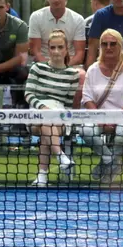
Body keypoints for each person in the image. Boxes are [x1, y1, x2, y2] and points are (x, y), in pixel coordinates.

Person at [79, 29, 123, 184]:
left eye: (113, 44)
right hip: (98, 116)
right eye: (104, 44)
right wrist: (99, 118)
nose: (108, 47)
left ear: (120, 46)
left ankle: (108, 161)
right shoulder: (93, 69)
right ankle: (111, 161)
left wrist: (116, 120)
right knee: (86, 130)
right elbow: (87, 98)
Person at [25, 30, 83, 186]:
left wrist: (66, 120)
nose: (56, 51)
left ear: (66, 49)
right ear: (48, 49)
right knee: (46, 121)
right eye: (52, 47)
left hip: (60, 116)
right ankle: (60, 156)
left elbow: (68, 103)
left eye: (60, 47)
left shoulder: (73, 74)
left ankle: (42, 176)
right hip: (36, 113)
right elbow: (29, 94)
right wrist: (42, 107)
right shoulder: (37, 68)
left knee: (47, 128)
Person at [28, 0, 86, 67]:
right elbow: (35, 51)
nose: (56, 0)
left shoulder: (78, 19)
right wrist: (49, 67)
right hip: (43, 64)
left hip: (69, 64)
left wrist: (64, 68)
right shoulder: (36, 17)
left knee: (81, 75)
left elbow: (80, 54)